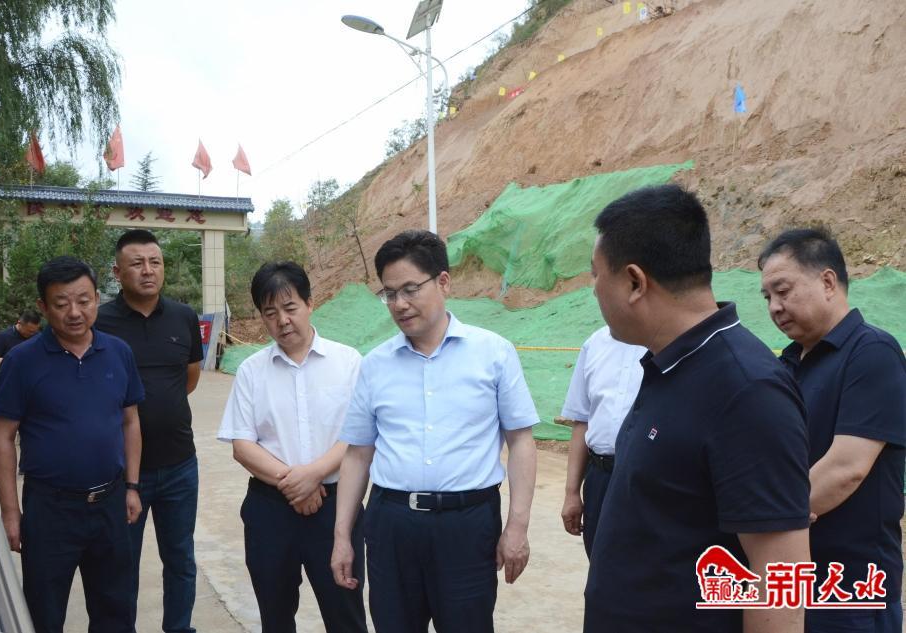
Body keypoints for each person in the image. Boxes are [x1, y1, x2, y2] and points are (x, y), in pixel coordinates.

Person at [583, 185, 811, 633]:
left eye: (596, 275)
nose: (593, 289)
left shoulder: (747, 391)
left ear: (634, 282)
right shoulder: (669, 364)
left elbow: (779, 574)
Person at [330, 229, 539, 633]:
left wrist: (517, 525)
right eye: (389, 294)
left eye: (410, 289)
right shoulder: (375, 365)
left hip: (467, 526)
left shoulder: (493, 353)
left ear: (443, 282)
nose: (399, 304)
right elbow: (357, 454)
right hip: (392, 525)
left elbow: (521, 442)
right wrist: (342, 536)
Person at [759, 228, 905, 633]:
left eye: (782, 291)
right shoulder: (787, 365)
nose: (774, 307)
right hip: (795, 576)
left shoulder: (872, 352)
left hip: (851, 588)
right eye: (767, 297)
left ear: (827, 281)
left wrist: (763, 522)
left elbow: (846, 468)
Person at [0, 256, 143, 633]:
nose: (75, 312)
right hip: (49, 508)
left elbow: (130, 421)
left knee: (116, 610)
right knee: (44, 611)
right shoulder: (21, 361)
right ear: (43, 307)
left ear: (97, 299)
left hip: (109, 502)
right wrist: (10, 512)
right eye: (61, 303)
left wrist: (132, 486)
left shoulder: (118, 352)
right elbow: (3, 437)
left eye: (84, 300)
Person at [217, 261, 367, 633]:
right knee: (276, 617)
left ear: (310, 303)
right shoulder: (251, 371)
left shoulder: (348, 362)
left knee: (345, 615)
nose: (282, 321)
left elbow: (359, 436)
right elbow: (242, 444)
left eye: (290, 308)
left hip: (336, 509)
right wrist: (295, 483)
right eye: (271, 313)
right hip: (270, 510)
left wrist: (313, 474)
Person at [95, 229, 203, 633]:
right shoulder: (100, 321)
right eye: (137, 263)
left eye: (155, 262)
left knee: (181, 560)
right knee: (122, 564)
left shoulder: (183, 317)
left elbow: (189, 378)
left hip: (179, 465)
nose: (148, 270)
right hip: (123, 472)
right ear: (117, 272)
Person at [559, 325, 644, 560]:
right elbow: (582, 421)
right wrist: (571, 493)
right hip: (600, 476)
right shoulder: (594, 344)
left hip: (647, 477)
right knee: (600, 560)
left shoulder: (666, 342)